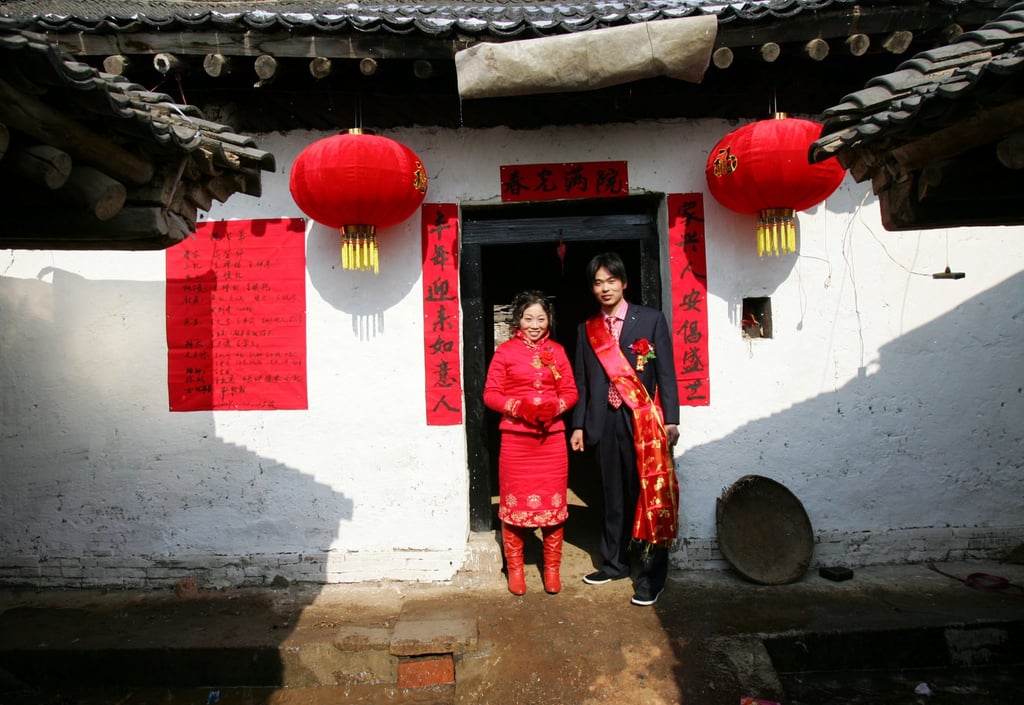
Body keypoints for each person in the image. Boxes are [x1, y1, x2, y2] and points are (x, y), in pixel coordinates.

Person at [570, 252, 680, 607]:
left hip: (643, 421)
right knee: (611, 495)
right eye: (598, 282)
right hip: (604, 422)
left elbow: (666, 373)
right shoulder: (586, 330)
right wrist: (579, 425)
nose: (605, 288)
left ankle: (651, 577)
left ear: (624, 283)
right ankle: (614, 563)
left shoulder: (650, 319)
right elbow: (584, 383)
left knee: (649, 497)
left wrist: (672, 419)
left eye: (611, 281)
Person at [484, 291, 579, 595]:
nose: (535, 324)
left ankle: (552, 569)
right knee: (514, 507)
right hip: (516, 442)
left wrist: (557, 407)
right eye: (529, 318)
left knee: (554, 506)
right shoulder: (505, 353)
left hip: (551, 441)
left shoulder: (559, 351)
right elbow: (491, 394)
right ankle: (515, 570)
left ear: (549, 318)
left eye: (541, 318)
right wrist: (517, 407)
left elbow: (571, 391)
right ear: (518, 320)